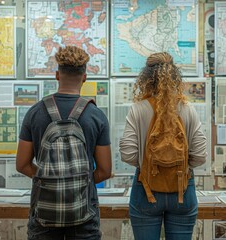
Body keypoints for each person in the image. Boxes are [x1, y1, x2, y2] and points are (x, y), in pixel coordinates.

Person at [16, 45, 112, 240]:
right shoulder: (96, 116)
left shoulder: (35, 113)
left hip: (44, 214)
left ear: (57, 75)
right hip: (84, 214)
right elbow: (104, 170)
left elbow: (22, 164)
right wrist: (78, 182)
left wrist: (49, 179)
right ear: (85, 77)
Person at [119, 52, 207, 240]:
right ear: (175, 77)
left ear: (146, 78)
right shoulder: (187, 109)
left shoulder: (138, 109)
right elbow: (200, 156)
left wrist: (148, 164)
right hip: (182, 189)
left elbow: (127, 154)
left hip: (146, 190)